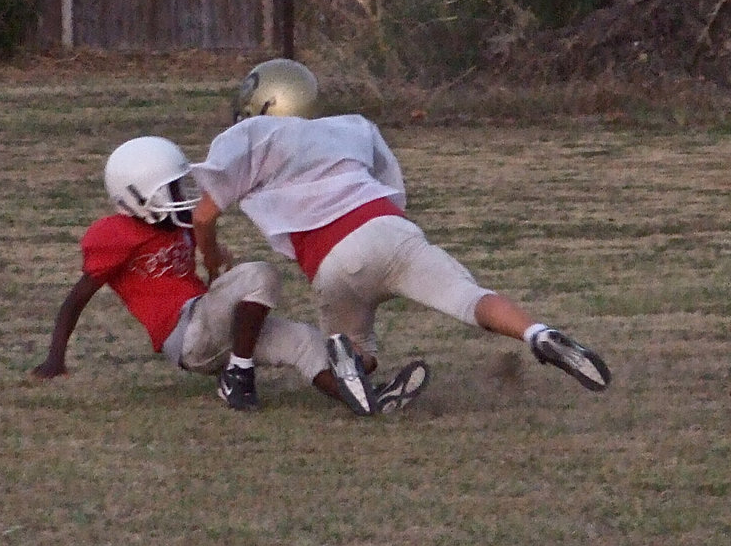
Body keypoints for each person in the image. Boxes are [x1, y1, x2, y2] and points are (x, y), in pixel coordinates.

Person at [188, 58, 611, 393]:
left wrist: (212, 256)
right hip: (389, 230)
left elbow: (204, 217)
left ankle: (355, 375)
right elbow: (389, 186)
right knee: (470, 297)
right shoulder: (350, 127)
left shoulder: (255, 137)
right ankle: (538, 333)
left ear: (264, 104)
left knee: (349, 351)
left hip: (333, 260)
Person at [31, 135, 430, 416]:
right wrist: (55, 358)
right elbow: (76, 298)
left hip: (214, 325)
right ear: (135, 197)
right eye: (171, 188)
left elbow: (209, 261)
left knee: (307, 343)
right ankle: (238, 374)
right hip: (186, 336)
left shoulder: (181, 225)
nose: (181, 193)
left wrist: (216, 261)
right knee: (259, 274)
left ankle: (369, 399)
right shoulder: (114, 235)